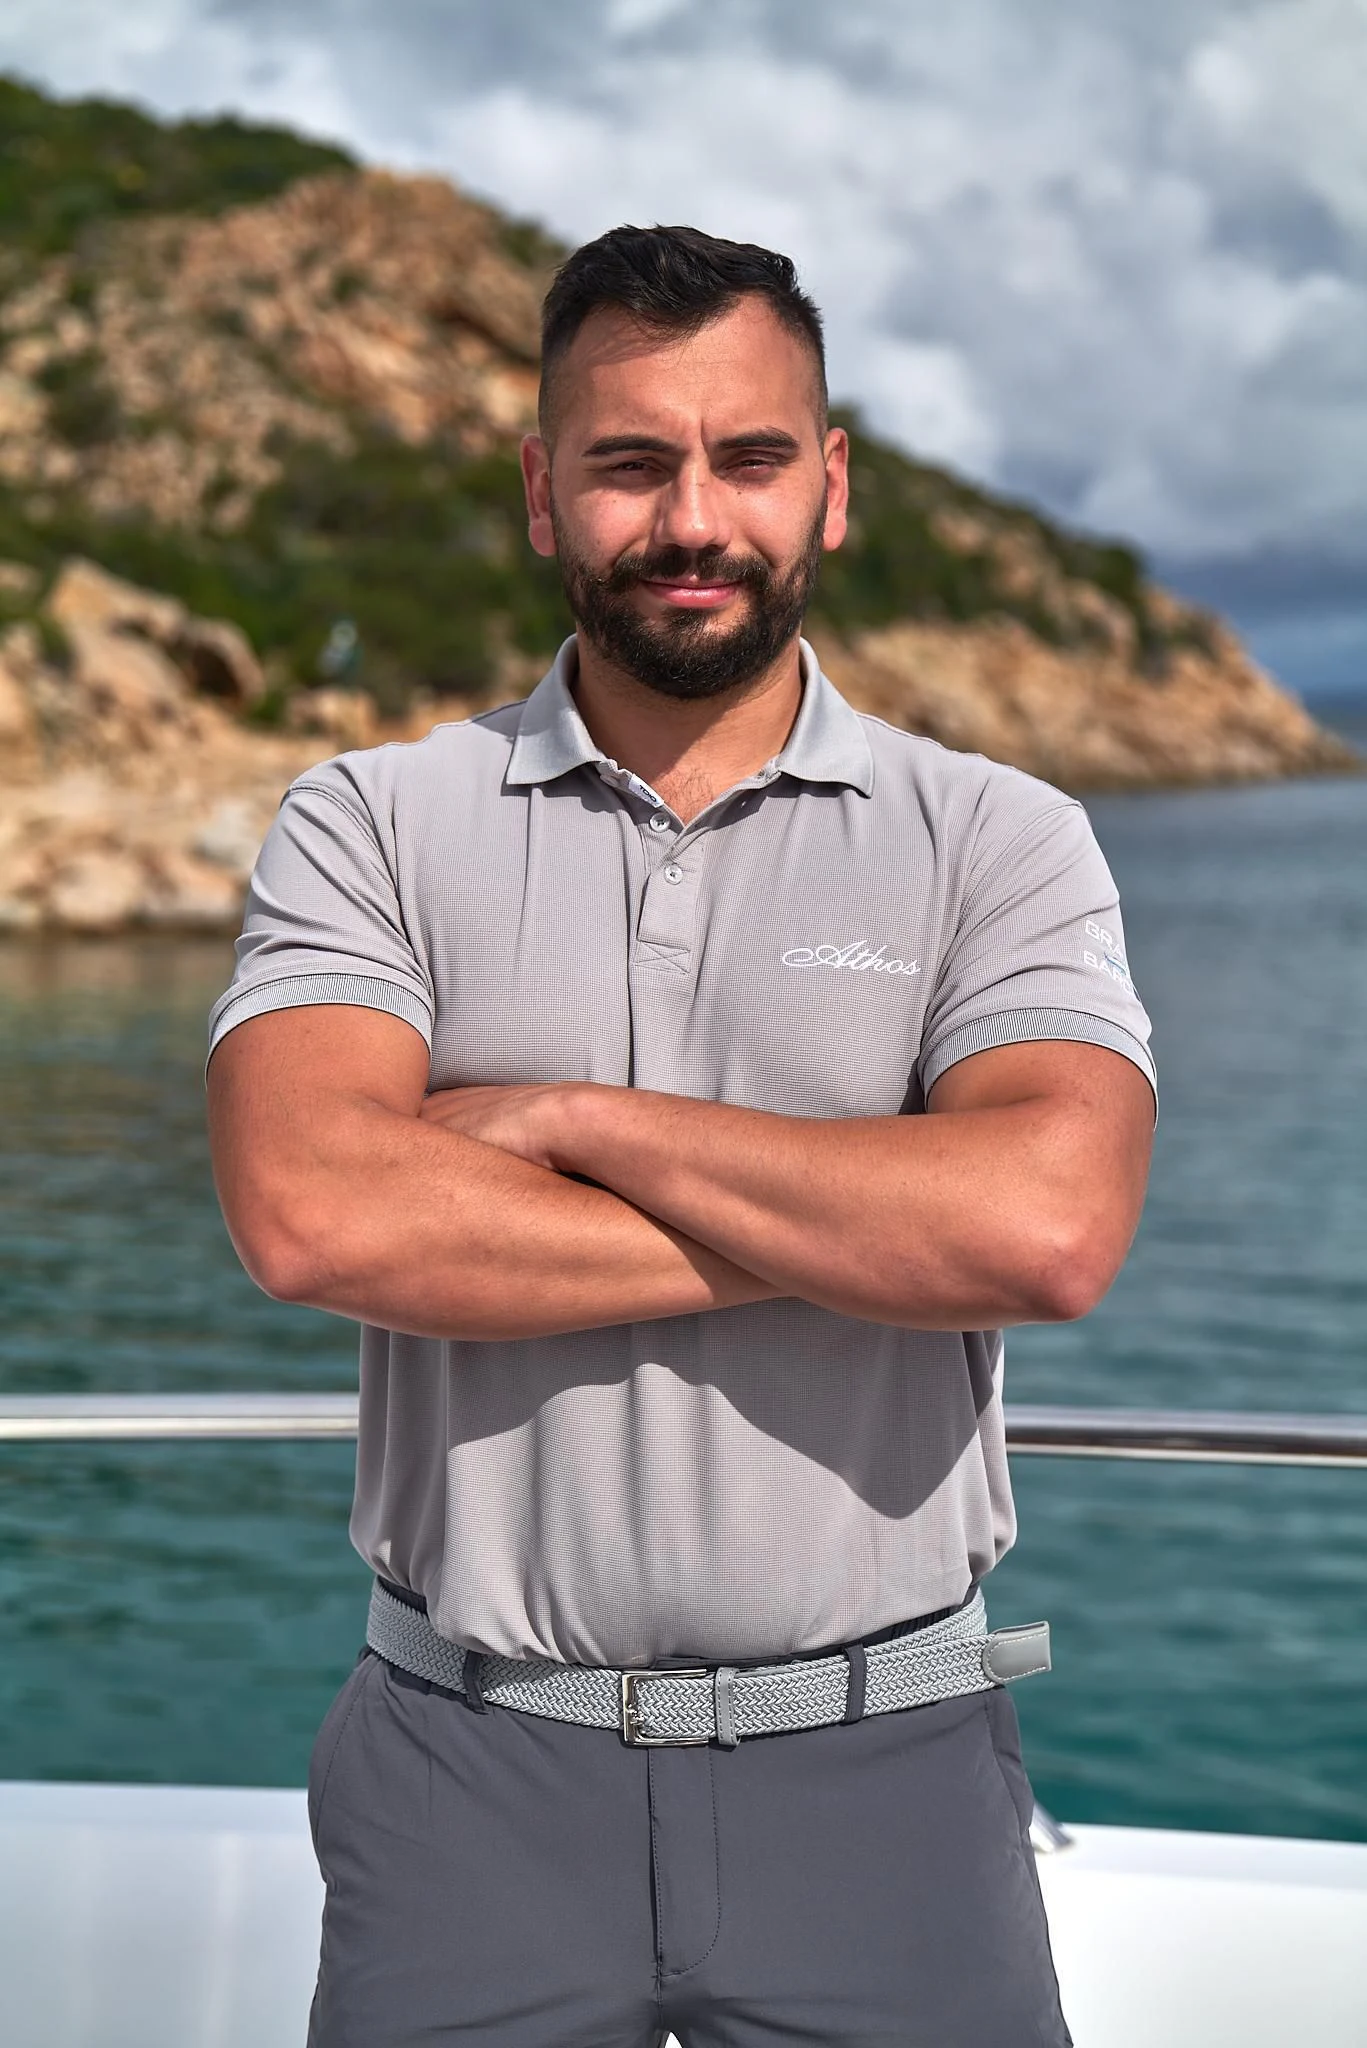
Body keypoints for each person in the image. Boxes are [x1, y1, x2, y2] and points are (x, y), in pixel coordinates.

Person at [207, 224, 1155, 2048]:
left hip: (892, 1776)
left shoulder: (997, 839)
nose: (692, 516)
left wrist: (569, 1124)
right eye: (630, 462)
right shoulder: (371, 824)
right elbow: (314, 1214)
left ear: (832, 486)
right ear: (544, 497)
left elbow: (1043, 1231)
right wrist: (862, 1219)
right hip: (470, 1774)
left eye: (749, 457)